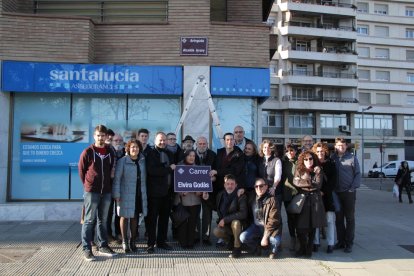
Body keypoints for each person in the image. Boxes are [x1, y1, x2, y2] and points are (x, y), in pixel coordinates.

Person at [78, 125, 117, 261]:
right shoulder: (88, 151)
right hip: (92, 192)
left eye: (103, 135)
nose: (101, 138)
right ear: (94, 136)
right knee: (89, 220)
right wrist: (89, 185)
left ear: (106, 136)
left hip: (106, 191)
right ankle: (87, 249)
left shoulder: (110, 152)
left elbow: (111, 170)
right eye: (98, 135)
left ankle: (103, 245)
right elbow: (82, 171)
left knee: (103, 220)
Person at [112, 139, 147, 253]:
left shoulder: (142, 160)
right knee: (124, 216)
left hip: (138, 193)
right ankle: (124, 241)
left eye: (136, 147)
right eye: (132, 147)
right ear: (128, 148)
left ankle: (133, 241)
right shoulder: (122, 161)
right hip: (125, 193)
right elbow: (117, 178)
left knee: (134, 217)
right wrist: (116, 194)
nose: (135, 149)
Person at [212, 132, 245, 247]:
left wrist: (218, 172)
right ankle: (222, 236)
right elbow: (216, 167)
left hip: (232, 186)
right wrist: (214, 175)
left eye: (231, 139)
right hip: (220, 187)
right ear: (224, 141)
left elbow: (234, 170)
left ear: (234, 141)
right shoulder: (220, 152)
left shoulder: (239, 154)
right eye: (227, 140)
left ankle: (234, 236)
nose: (229, 142)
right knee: (221, 210)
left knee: (231, 210)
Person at [146, 132, 176, 253]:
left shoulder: (170, 153)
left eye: (164, 140)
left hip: (167, 193)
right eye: (160, 140)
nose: (162, 142)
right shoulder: (151, 153)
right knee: (152, 219)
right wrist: (168, 169)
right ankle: (150, 243)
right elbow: (152, 171)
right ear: (155, 141)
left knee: (164, 219)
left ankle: (161, 242)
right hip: (154, 193)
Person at [293, 150, 326, 258]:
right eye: (306, 159)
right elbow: (296, 182)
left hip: (315, 200)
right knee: (300, 227)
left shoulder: (318, 169)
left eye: (310, 159)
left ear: (314, 159)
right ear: (303, 160)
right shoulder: (299, 169)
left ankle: (309, 249)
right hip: (303, 200)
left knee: (312, 227)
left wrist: (305, 182)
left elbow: (318, 185)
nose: (308, 161)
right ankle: (303, 247)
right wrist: (309, 182)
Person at [174, 149, 209, 249]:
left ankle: (190, 242)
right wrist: (181, 192)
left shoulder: (199, 169)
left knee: (193, 222)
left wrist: (201, 192)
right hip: (183, 200)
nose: (191, 157)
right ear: (185, 156)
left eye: (193, 156)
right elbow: (176, 185)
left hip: (195, 200)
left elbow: (203, 185)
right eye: (189, 155)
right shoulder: (179, 168)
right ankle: (183, 242)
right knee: (183, 222)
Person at [332, 137, 361, 253]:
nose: (341, 147)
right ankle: (340, 241)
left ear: (346, 146)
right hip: (336, 194)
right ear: (335, 146)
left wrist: (352, 188)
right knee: (338, 219)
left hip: (348, 193)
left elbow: (358, 174)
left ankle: (349, 243)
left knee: (349, 219)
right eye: (339, 145)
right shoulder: (332, 158)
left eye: (343, 145)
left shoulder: (352, 158)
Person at [240, 178, 281, 259]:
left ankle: (272, 250)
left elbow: (273, 221)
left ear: (266, 187)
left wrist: (265, 237)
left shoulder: (272, 200)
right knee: (243, 237)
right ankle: (257, 248)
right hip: (256, 226)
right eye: (256, 186)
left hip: (270, 228)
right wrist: (241, 190)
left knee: (275, 241)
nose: (259, 188)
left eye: (261, 186)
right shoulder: (251, 196)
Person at [212, 174, 248, 258]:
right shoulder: (220, 194)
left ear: (236, 185)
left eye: (232, 184)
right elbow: (214, 207)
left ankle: (237, 247)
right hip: (226, 225)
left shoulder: (241, 196)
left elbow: (243, 213)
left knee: (235, 223)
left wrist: (225, 220)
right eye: (228, 184)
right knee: (216, 231)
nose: (230, 186)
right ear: (224, 185)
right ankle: (231, 239)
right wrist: (206, 198)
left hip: (239, 225)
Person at [312, 142, 337, 253]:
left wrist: (323, 192)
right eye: (317, 151)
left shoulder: (331, 164)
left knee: (330, 220)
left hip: (327, 197)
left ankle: (331, 243)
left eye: (322, 151)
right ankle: (316, 242)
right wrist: (317, 191)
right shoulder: (312, 164)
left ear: (325, 151)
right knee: (316, 220)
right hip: (316, 196)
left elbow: (333, 182)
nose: (320, 153)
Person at [194, 136, 217, 245]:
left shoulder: (213, 155)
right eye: (200, 143)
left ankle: (206, 237)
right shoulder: (191, 154)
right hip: (194, 191)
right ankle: (196, 235)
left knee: (207, 214)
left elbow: (215, 173)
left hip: (208, 190)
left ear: (207, 144)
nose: (202, 145)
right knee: (195, 213)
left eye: (204, 144)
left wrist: (211, 179)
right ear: (196, 144)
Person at [107, 133, 125, 243]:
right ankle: (108, 234)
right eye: (116, 140)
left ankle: (119, 233)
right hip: (109, 185)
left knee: (119, 211)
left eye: (120, 140)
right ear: (112, 141)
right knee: (108, 212)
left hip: (121, 186)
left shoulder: (125, 152)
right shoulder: (108, 152)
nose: (118, 142)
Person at [281, 144, 299, 252]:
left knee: (298, 216)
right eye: (287, 151)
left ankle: (300, 236)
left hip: (297, 193)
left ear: (296, 151)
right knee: (290, 217)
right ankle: (293, 237)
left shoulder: (299, 162)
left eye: (292, 150)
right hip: (287, 193)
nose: (290, 152)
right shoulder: (283, 162)